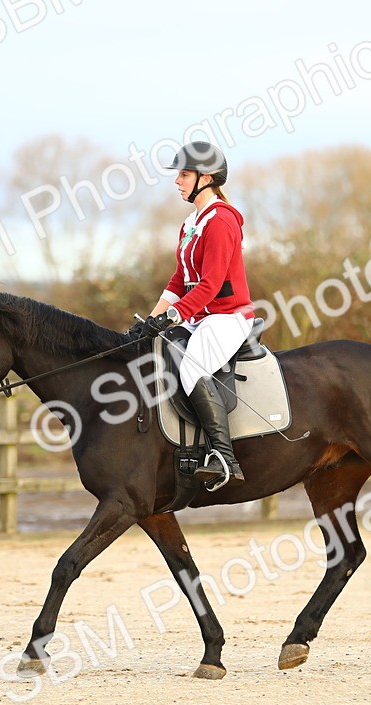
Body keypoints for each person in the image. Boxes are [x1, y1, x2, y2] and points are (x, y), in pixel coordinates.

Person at [133, 142, 254, 488]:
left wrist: (172, 317)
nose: (177, 181)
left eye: (184, 175)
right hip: (199, 317)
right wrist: (149, 321)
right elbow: (179, 280)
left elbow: (212, 285)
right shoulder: (192, 223)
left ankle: (224, 457)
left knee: (192, 368)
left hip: (227, 316)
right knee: (156, 355)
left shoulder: (220, 222)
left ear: (206, 178)